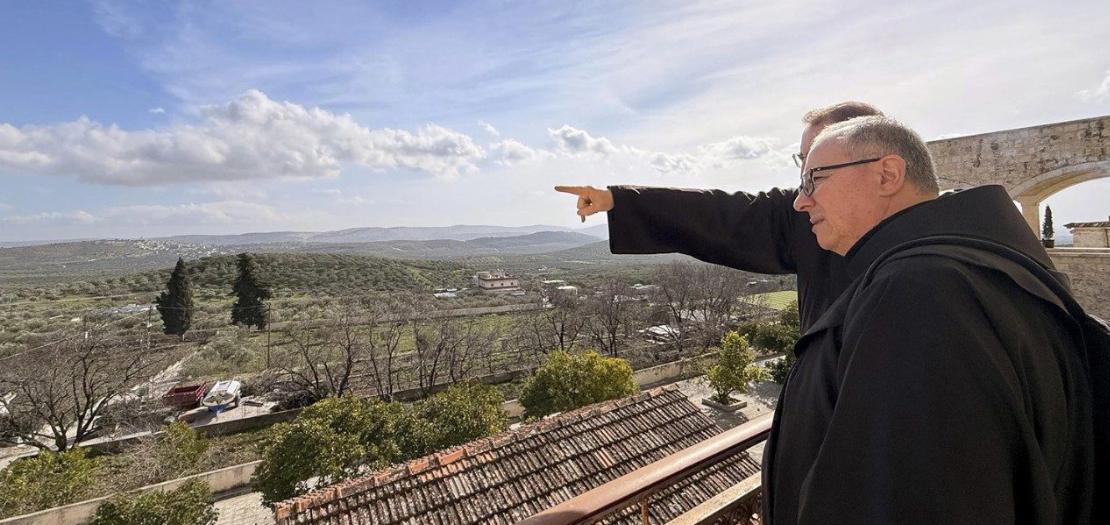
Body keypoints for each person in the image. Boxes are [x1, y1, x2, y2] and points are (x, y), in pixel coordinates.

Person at [762, 115, 1095, 524]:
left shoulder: (916, 294)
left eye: (814, 179)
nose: (801, 201)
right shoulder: (976, 273)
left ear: (887, 175)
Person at [555, 101, 882, 332]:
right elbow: (720, 214)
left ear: (884, 172)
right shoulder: (802, 219)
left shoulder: (912, 264)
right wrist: (617, 199)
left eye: (818, 169)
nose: (802, 197)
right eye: (803, 163)